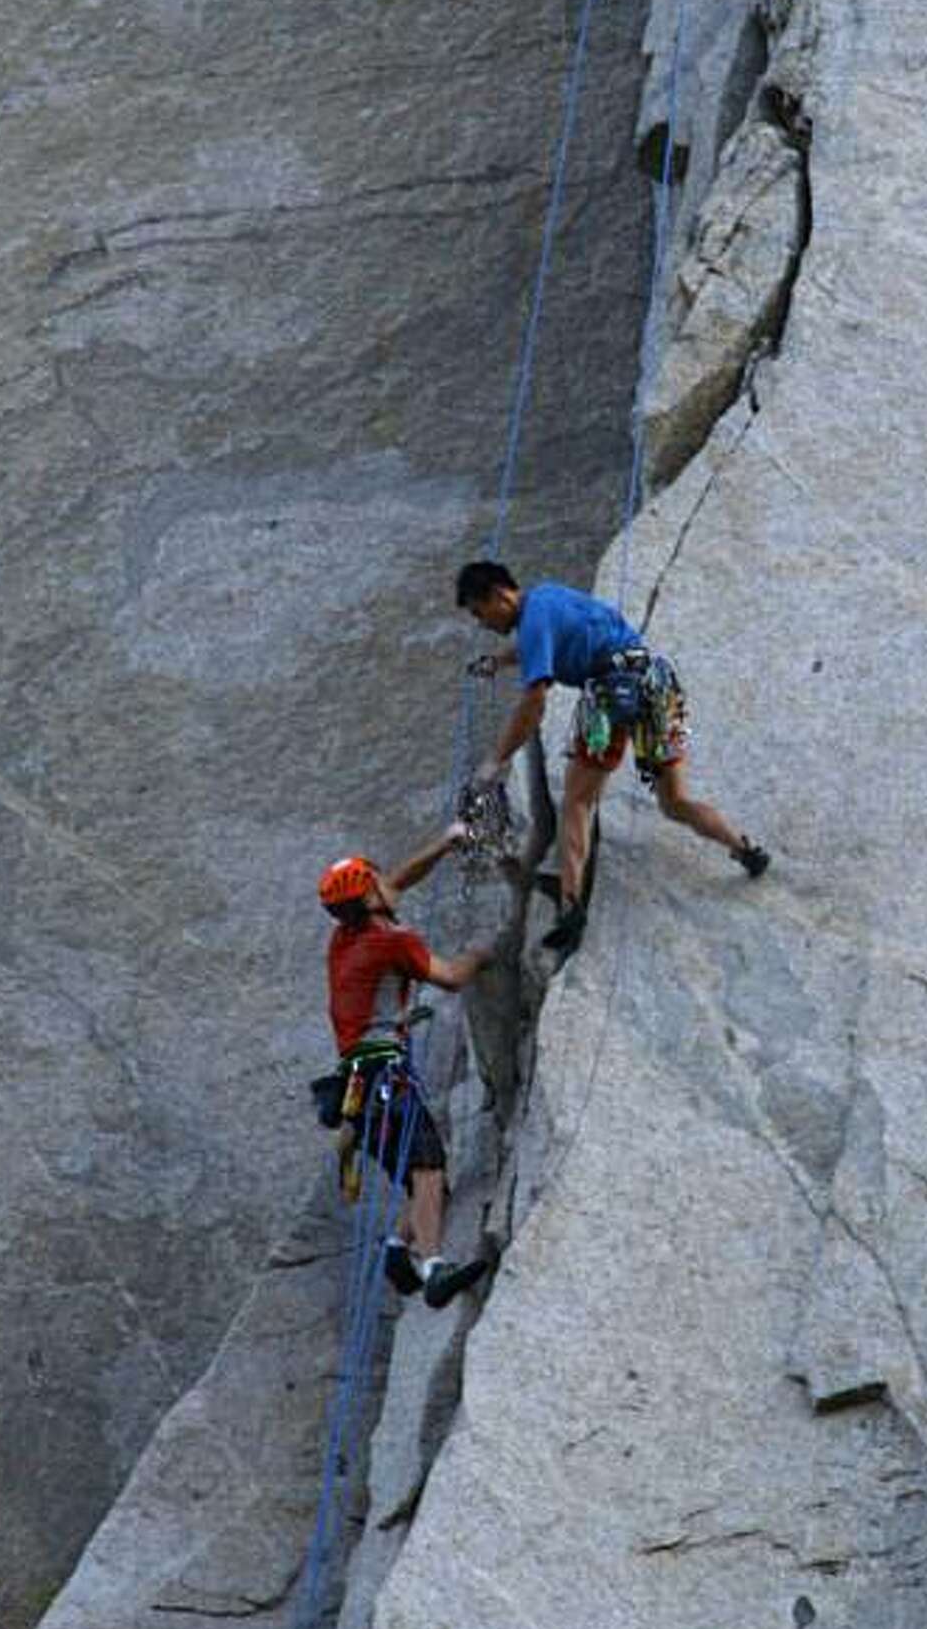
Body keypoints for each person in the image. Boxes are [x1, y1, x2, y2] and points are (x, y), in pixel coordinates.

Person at [455, 560, 769, 957]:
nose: (482, 623)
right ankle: (745, 849)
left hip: (609, 696)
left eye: (480, 613)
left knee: (577, 802)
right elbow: (538, 643)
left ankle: (570, 910)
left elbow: (533, 705)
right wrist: (497, 662)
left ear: (500, 595)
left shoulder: (533, 622)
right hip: (655, 683)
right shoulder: (548, 595)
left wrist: (495, 760)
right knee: (675, 801)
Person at [316, 827, 493, 1308]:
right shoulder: (392, 942)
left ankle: (398, 1249)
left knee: (423, 1178)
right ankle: (433, 1267)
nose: (385, 882)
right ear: (370, 896)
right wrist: (483, 952)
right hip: (382, 1079)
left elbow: (398, 880)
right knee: (429, 1167)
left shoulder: (343, 938)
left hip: (357, 1087)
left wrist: (445, 842)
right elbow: (453, 977)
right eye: (376, 881)